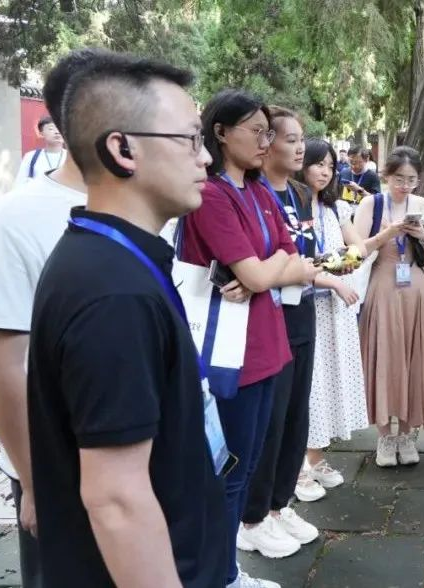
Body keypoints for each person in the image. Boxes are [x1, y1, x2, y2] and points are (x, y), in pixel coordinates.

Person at [26, 50, 228, 587]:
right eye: (190, 139)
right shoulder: (112, 293)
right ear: (122, 149)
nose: (206, 158)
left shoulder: (111, 260)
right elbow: (117, 498)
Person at [179, 89, 318, 588]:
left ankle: (226, 570)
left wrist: (263, 271)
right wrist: (264, 272)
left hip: (268, 346)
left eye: (268, 132)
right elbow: (265, 272)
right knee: (227, 471)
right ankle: (216, 575)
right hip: (229, 355)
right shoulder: (212, 195)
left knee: (251, 461)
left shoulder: (259, 191)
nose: (266, 141)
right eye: (257, 131)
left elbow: (291, 257)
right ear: (220, 132)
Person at [0, 47, 100, 588]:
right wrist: (35, 481)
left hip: (135, 459)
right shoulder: (14, 218)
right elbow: (3, 364)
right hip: (58, 463)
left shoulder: (150, 212)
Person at [238, 107, 320, 558]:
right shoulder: (253, 194)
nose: (299, 147)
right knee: (269, 421)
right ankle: (253, 516)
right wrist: (283, 270)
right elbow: (257, 268)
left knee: (295, 416)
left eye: (301, 139)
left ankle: (278, 504)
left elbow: (300, 257)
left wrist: (305, 269)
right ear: (267, 144)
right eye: (290, 139)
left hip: (302, 310)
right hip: (268, 319)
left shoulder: (301, 194)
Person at [354, 146, 424, 467]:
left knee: (413, 358)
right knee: (385, 357)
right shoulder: (371, 204)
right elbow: (358, 251)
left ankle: (406, 434)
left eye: (411, 180)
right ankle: (384, 436)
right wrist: (388, 233)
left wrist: (422, 235)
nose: (404, 186)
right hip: (382, 287)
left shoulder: (423, 206)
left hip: (416, 288)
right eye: (398, 179)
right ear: (386, 176)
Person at [298, 138, 375, 489]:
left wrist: (348, 259)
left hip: (335, 308)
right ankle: (297, 466)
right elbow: (297, 261)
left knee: (328, 380)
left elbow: (359, 246)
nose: (325, 171)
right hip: (307, 303)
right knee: (308, 382)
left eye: (330, 165)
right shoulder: (292, 208)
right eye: (318, 164)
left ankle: (315, 457)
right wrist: (332, 272)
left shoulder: (335, 208)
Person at [14, 115, 67, 186]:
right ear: (41, 133)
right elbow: (19, 184)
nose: (57, 132)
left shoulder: (73, 158)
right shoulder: (31, 157)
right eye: (51, 129)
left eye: (60, 128)